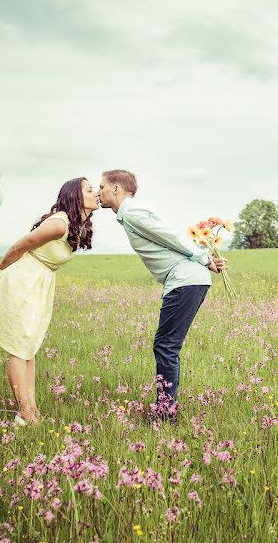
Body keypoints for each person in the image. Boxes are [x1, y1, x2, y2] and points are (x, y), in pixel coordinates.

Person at [97, 169, 225, 420]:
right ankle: (166, 409)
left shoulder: (133, 213)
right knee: (166, 345)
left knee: (166, 346)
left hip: (184, 281)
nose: (98, 191)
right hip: (188, 280)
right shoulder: (132, 214)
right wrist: (205, 260)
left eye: (101, 186)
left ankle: (165, 413)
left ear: (116, 189)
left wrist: (203, 257)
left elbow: (171, 237)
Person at [0, 177, 99, 425]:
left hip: (40, 282)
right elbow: (18, 246)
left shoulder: (77, 225)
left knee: (29, 347)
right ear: (75, 196)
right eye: (90, 190)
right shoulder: (59, 223)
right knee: (19, 346)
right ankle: (23, 411)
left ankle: (32, 410)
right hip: (23, 280)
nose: (96, 193)